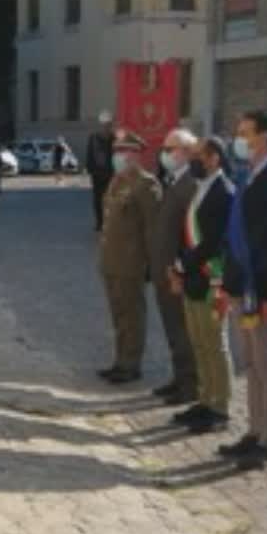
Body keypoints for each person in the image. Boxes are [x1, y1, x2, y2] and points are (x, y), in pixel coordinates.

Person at [217, 110, 267, 469]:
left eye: (246, 132)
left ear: (265, 135)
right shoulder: (248, 173)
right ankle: (253, 431)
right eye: (239, 133)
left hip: (263, 290)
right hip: (242, 286)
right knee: (251, 364)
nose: (240, 139)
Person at [168, 136, 236, 435]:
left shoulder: (224, 192)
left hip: (212, 277)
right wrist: (180, 266)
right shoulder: (201, 188)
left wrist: (184, 264)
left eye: (199, 156)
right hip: (194, 276)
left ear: (215, 159)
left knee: (215, 343)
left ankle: (220, 407)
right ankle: (205, 399)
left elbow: (213, 242)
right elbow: (189, 234)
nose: (193, 160)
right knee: (199, 342)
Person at [96, 131, 161, 384]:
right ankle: (120, 360)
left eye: (123, 151)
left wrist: (149, 264)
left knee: (132, 315)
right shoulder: (117, 182)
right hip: (111, 261)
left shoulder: (146, 184)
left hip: (131, 262)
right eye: (116, 151)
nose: (118, 156)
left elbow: (152, 228)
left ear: (136, 154)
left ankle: (131, 364)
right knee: (118, 314)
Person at [149, 129, 201, 405]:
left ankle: (190, 384)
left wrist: (179, 269)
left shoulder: (191, 184)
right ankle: (179, 376)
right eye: (165, 149)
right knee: (172, 328)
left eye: (172, 149)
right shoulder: (173, 180)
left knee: (183, 330)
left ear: (189, 152)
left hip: (176, 273)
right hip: (163, 270)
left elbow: (190, 236)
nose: (166, 154)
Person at [85, 110, 117, 232]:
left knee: (111, 198)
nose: (106, 127)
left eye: (108, 124)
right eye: (104, 124)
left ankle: (108, 222)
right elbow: (90, 154)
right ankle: (100, 222)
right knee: (98, 199)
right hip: (98, 173)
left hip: (111, 172)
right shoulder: (93, 137)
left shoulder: (114, 137)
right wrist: (90, 169)